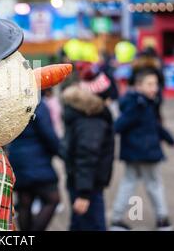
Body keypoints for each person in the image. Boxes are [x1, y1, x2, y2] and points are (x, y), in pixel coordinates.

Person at [111, 69, 174, 231]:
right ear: (138, 86)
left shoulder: (146, 101)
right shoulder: (138, 104)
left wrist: (168, 137)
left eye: (155, 84)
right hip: (146, 153)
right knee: (154, 184)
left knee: (129, 183)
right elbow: (119, 125)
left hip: (135, 153)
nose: (155, 88)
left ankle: (116, 219)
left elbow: (154, 125)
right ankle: (162, 218)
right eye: (150, 84)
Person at [61, 65, 115, 231]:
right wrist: (84, 193)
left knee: (79, 224)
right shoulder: (92, 118)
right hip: (87, 187)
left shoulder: (84, 112)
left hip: (82, 183)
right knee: (94, 226)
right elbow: (87, 155)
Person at [7, 99, 62, 231]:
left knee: (25, 201)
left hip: (17, 158)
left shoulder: (12, 102)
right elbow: (48, 135)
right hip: (37, 161)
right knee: (53, 199)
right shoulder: (36, 104)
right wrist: (60, 151)